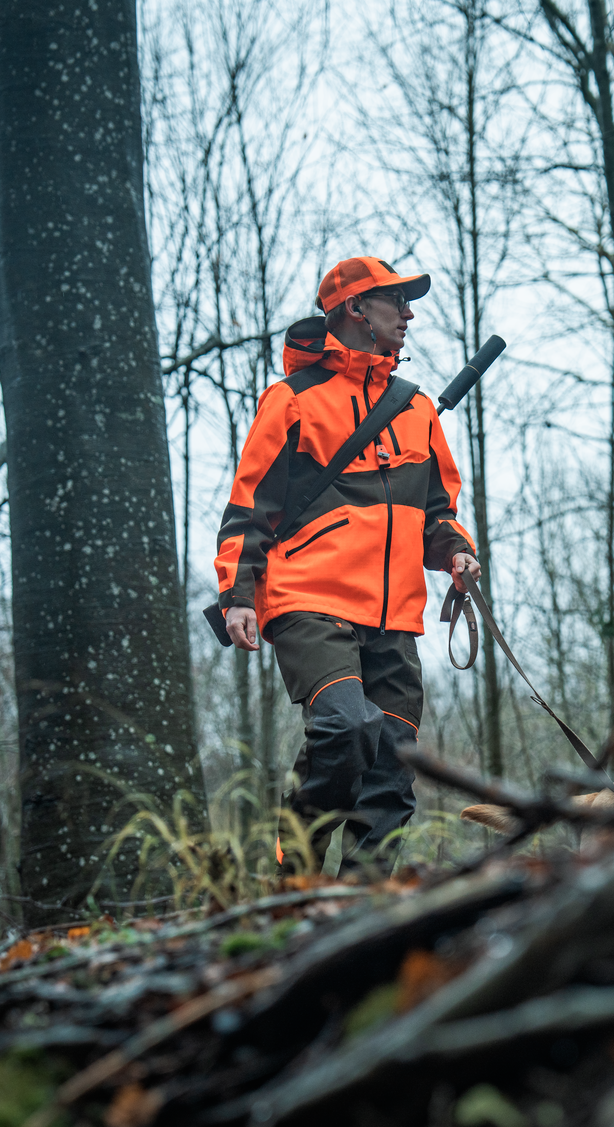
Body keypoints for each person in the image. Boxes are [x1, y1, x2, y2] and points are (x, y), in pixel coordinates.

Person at [214, 256, 480, 867]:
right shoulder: (292, 401)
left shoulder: (415, 411)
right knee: (346, 729)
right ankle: (297, 871)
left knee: (392, 767)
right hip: (310, 601)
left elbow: (436, 514)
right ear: (356, 309)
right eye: (396, 301)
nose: (409, 314)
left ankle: (362, 907)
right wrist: (237, 596)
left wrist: (457, 551)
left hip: (395, 617)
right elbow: (250, 510)